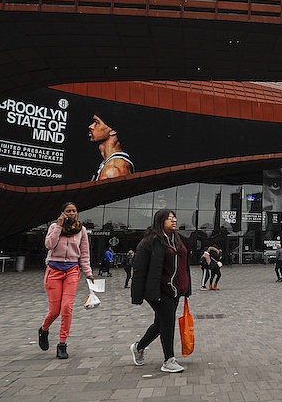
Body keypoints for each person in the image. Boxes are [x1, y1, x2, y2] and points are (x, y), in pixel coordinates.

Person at [130, 209, 191, 373]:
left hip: (175, 290)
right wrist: (137, 296)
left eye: (174, 217)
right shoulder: (149, 242)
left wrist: (186, 287)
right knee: (168, 321)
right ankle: (169, 360)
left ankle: (139, 347)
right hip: (157, 290)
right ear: (160, 221)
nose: (174, 220)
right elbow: (139, 269)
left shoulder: (176, 239)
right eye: (169, 218)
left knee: (160, 324)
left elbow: (183, 265)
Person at [39, 202, 94, 359]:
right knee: (54, 311)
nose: (72, 213)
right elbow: (49, 244)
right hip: (54, 271)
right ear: (62, 213)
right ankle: (43, 329)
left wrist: (88, 272)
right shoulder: (54, 227)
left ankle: (62, 344)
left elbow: (84, 253)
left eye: (74, 211)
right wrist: (58, 226)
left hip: (72, 271)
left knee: (67, 308)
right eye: (68, 211)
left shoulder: (81, 230)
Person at [88, 114, 134, 181]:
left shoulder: (112, 171)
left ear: (113, 131)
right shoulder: (109, 164)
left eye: (97, 122)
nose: (91, 126)